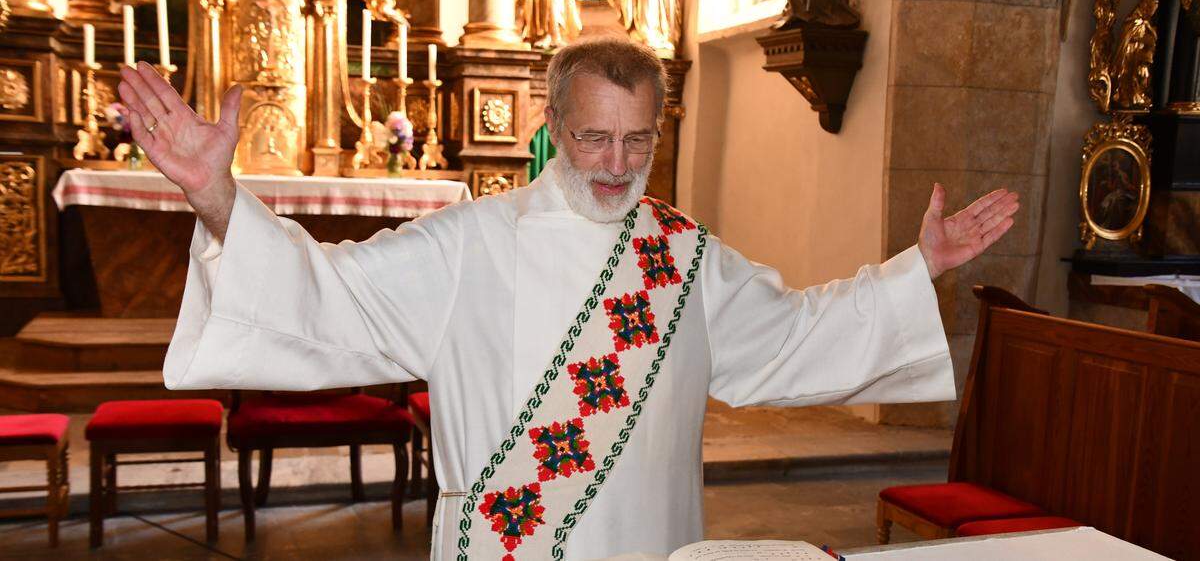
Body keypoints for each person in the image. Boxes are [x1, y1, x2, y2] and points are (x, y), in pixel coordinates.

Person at [115, 38, 1019, 560]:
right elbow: (326, 294)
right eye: (594, 138)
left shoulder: (684, 257)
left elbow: (796, 337)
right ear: (553, 128)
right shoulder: (469, 243)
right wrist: (217, 195)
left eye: (638, 140)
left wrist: (917, 266)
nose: (618, 165)